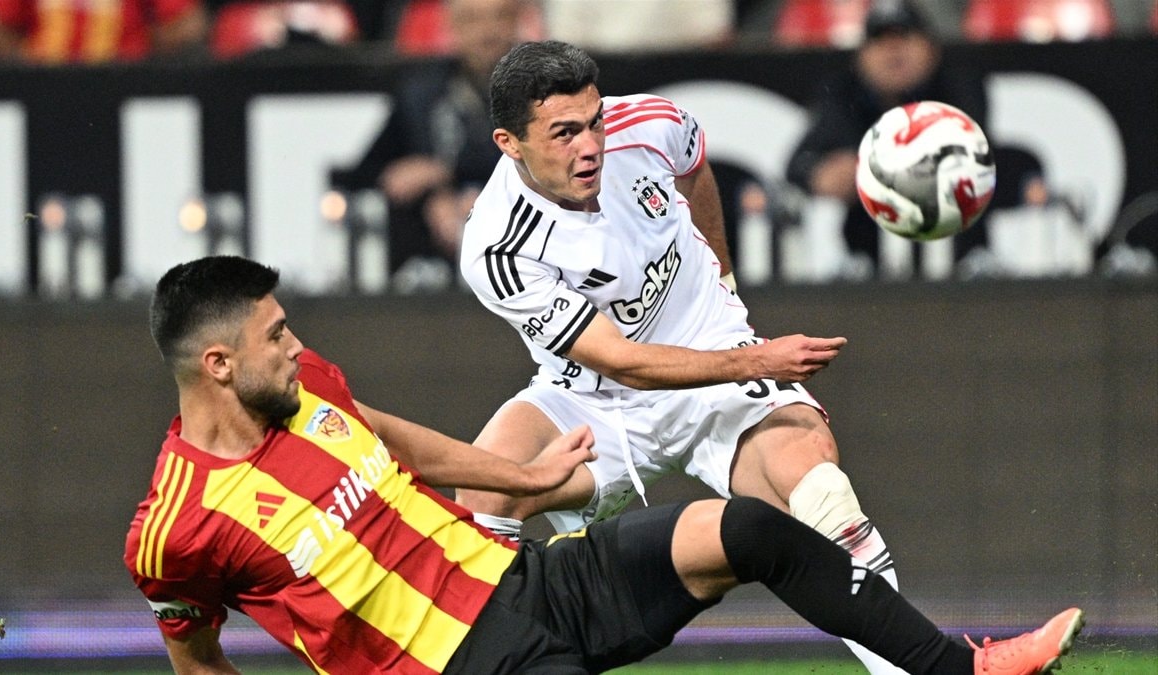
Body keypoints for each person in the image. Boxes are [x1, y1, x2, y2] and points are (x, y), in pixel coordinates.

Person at [124, 254, 1083, 674]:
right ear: (219, 365)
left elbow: (390, 434)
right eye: (275, 335)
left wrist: (529, 482)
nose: (295, 344)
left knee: (749, 528)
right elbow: (197, 662)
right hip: (460, 666)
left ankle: (958, 670)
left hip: (530, 583)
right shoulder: (176, 531)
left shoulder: (308, 389)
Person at [454, 38, 914, 674]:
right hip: (593, 397)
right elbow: (623, 363)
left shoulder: (649, 122)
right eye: (564, 133)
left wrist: (722, 281)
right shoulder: (497, 246)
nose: (590, 146)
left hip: (709, 350)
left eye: (593, 122)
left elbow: (694, 166)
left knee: (818, 487)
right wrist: (759, 361)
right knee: (480, 494)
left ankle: (912, 669)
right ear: (510, 143)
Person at [332, 0, 535, 292]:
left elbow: (547, 163)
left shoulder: (542, 92)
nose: (487, 31)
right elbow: (363, 174)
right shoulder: (422, 93)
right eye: (472, 20)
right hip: (431, 269)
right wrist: (427, 194)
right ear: (452, 26)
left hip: (527, 253)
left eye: (499, 17)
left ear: (518, 22)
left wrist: (447, 174)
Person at [784, 0, 989, 279]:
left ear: (931, 48)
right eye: (880, 41)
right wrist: (821, 174)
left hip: (955, 258)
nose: (893, 50)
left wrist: (872, 165)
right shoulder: (844, 93)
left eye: (904, 37)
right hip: (868, 265)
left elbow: (973, 153)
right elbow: (798, 165)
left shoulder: (957, 85)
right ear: (861, 56)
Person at [0, 0, 207, 64]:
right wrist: (25, 62)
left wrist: (144, 52)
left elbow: (186, 24)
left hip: (123, 80)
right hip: (45, 84)